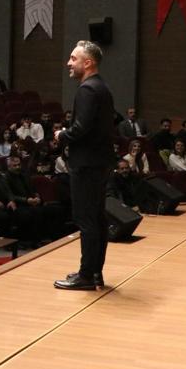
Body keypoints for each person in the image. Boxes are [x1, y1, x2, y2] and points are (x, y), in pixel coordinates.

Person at [53, 41, 115, 291]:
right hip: (99, 162)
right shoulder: (102, 87)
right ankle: (95, 272)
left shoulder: (87, 89)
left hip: (86, 163)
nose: (68, 63)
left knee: (86, 219)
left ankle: (86, 276)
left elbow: (81, 128)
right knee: (97, 218)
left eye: (73, 58)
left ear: (87, 63)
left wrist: (62, 135)